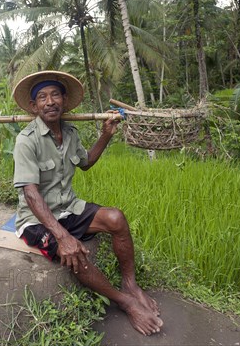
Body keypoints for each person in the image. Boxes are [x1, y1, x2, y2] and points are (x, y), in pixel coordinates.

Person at [12, 70, 163, 336]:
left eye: (55, 95)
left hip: (68, 207)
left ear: (64, 100)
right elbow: (31, 194)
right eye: (43, 98)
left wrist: (106, 135)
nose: (50, 102)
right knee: (72, 251)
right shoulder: (26, 140)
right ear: (34, 106)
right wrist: (63, 237)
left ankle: (130, 284)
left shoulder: (70, 132)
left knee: (116, 218)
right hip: (36, 219)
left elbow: (85, 162)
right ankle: (125, 301)